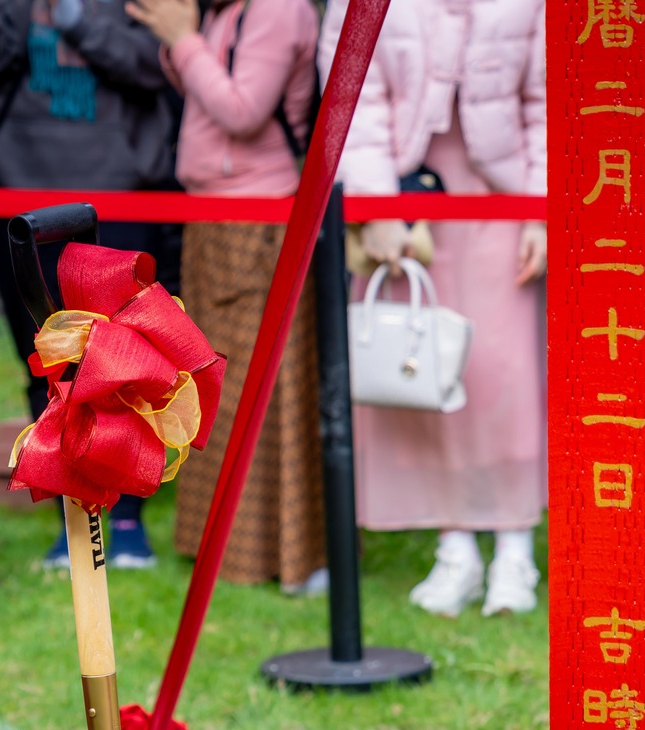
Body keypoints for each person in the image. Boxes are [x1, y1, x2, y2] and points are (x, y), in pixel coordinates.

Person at [319, 0, 545, 617]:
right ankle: (455, 548)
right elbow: (352, 95)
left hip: (501, 196)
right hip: (408, 195)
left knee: (504, 375)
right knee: (424, 367)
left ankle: (515, 547)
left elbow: (546, 100)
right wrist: (376, 205)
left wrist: (541, 209)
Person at [0, 0, 182, 569]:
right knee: (49, 365)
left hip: (119, 194)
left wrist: (78, 21)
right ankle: (76, 518)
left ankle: (127, 517)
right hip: (23, 193)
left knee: (125, 364)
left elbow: (154, 64)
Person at [125, 0, 323, 591]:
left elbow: (242, 110)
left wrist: (182, 38)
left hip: (256, 217)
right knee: (210, 383)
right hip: (213, 213)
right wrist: (181, 39)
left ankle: (286, 556)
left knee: (258, 387)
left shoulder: (277, 8)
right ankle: (218, 545)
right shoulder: (226, 8)